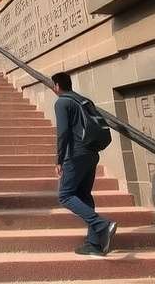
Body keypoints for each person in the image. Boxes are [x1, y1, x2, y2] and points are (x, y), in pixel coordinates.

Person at [53, 72, 117, 256]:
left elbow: (63, 133)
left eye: (54, 86)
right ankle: (94, 244)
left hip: (76, 154)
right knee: (84, 196)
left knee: (65, 195)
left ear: (57, 86)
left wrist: (59, 159)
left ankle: (102, 225)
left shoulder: (62, 102)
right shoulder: (84, 100)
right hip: (91, 153)